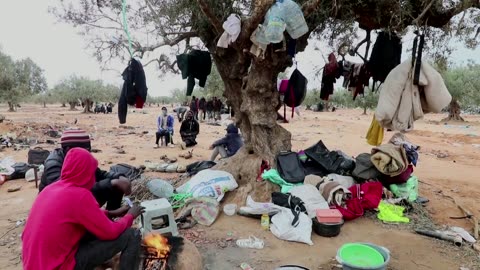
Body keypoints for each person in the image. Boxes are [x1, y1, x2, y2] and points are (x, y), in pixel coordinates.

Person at [22, 148, 144, 270]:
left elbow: (80, 216)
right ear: (86, 173)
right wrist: (130, 216)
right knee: (131, 235)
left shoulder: (51, 189)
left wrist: (110, 213)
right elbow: (110, 232)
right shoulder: (80, 195)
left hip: (34, 264)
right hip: (59, 266)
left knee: (89, 231)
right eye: (92, 173)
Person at [40, 129, 131, 211]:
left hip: (75, 198)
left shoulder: (80, 159)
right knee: (110, 185)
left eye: (89, 150)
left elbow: (98, 174)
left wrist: (119, 177)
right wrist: (111, 183)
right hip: (57, 207)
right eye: (86, 150)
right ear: (68, 149)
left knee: (117, 184)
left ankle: (110, 218)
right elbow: (68, 192)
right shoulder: (53, 164)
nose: (89, 153)